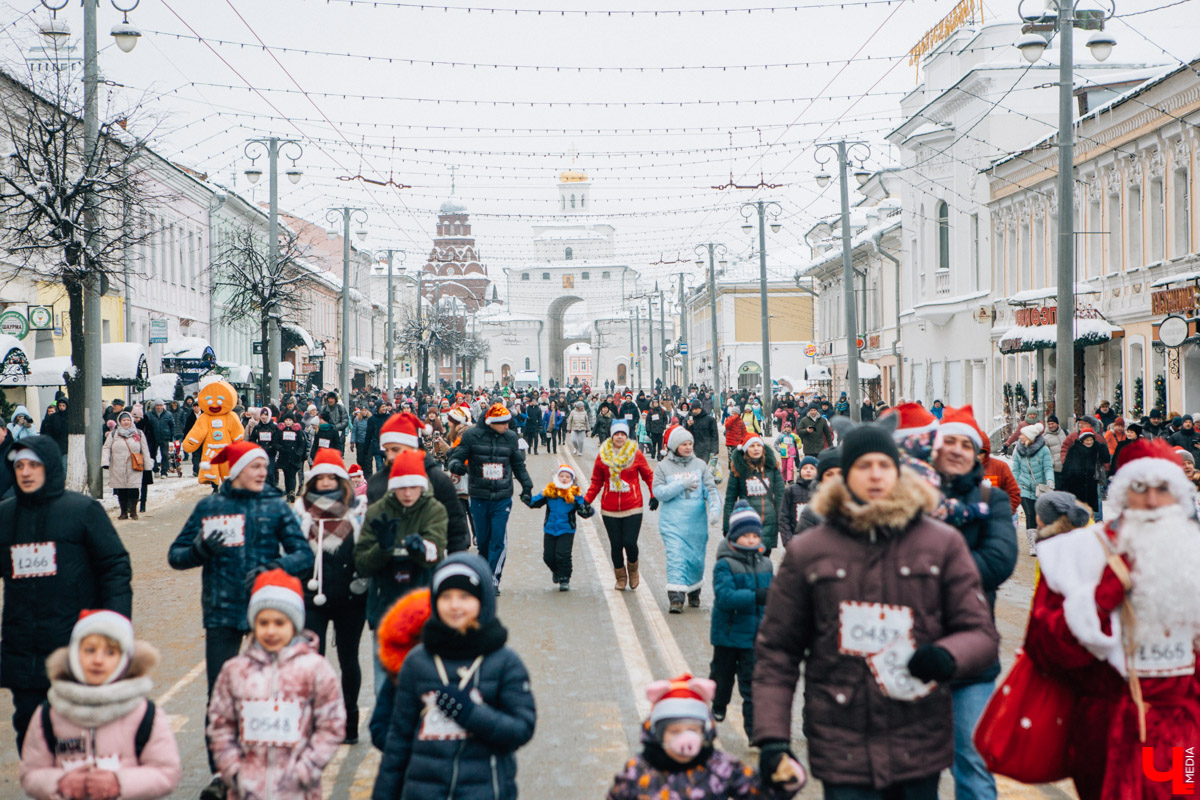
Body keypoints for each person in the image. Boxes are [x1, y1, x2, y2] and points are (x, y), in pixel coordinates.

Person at [753, 425, 1000, 799]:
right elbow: (777, 651)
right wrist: (773, 739)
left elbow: (980, 634)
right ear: (846, 475)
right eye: (863, 465)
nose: (874, 475)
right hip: (841, 741)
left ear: (897, 471)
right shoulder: (809, 551)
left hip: (918, 738)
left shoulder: (941, 543)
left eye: (884, 465)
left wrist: (947, 656)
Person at [1025, 438, 1200, 800]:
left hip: (1182, 731)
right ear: (1122, 493)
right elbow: (1044, 648)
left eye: (1163, 489)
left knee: (1183, 792)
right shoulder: (1077, 552)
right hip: (1107, 724)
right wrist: (1101, 599)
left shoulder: (1192, 551)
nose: (1152, 501)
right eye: (1140, 488)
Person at [167, 439, 314, 800]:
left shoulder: (275, 506)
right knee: (220, 695)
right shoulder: (210, 507)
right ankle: (222, 774)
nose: (263, 472)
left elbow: (304, 554)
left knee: (269, 692)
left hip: (268, 615)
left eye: (264, 466)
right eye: (255, 466)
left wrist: (274, 568)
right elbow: (176, 555)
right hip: (221, 610)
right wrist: (200, 550)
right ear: (236, 472)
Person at [0, 435, 132, 752]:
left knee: (75, 735)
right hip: (24, 647)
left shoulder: (82, 510)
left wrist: (114, 625)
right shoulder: (5, 516)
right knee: (30, 732)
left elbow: (114, 566)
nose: (26, 472)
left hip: (75, 643)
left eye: (34, 465)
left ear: (50, 467)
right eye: (20, 466)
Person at [371, 554, 537, 800]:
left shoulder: (504, 661)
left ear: (482, 601)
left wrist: (471, 713)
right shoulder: (417, 662)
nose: (455, 605)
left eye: (465, 596)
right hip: (423, 792)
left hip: (485, 791)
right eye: (446, 596)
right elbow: (398, 742)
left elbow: (521, 728)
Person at [927, 406, 1017, 800]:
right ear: (933, 448)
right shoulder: (910, 496)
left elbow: (998, 562)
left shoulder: (990, 499)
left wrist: (927, 570)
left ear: (977, 454)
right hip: (911, 651)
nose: (957, 450)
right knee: (913, 766)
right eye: (949, 441)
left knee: (974, 762)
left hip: (972, 655)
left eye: (967, 445)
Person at [207, 570, 345, 800]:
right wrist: (234, 770)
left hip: (298, 791)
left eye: (279, 623)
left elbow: (332, 725)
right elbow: (220, 723)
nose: (271, 631)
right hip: (247, 791)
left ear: (294, 624)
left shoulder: (315, 669)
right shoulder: (235, 671)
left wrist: (306, 769)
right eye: (263, 623)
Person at [19, 610, 182, 800]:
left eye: (110, 652)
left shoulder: (144, 714)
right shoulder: (51, 713)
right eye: (90, 650)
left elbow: (167, 773)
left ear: (125, 659)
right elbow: (30, 774)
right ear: (74, 654)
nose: (98, 660)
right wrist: (61, 783)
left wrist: (119, 783)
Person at [607, 673, 802, 800]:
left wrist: (784, 780)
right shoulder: (639, 769)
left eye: (693, 730)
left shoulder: (720, 766)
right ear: (657, 734)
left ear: (705, 731)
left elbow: (758, 793)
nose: (685, 739)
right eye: (674, 731)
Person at [356, 449, 447, 700]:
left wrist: (422, 550)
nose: (407, 493)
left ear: (422, 486)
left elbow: (438, 552)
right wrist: (382, 549)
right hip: (385, 604)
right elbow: (362, 563)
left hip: (423, 608)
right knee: (384, 686)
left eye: (413, 487)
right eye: (401, 487)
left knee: (424, 687)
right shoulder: (377, 511)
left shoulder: (434, 510)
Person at [294, 449, 368, 745]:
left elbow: (366, 549)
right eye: (320, 477)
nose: (326, 482)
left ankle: (350, 722)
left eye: (332, 477)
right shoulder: (300, 510)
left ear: (341, 479)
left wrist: (362, 579)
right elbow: (292, 551)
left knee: (349, 660)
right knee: (313, 662)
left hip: (351, 598)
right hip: (311, 598)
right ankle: (317, 723)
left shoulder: (358, 509)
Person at [446, 403, 533, 593]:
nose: (507, 426)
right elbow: (456, 457)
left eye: (508, 422)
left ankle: (493, 579)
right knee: (483, 541)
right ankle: (483, 575)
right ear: (491, 422)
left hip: (502, 496)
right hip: (478, 495)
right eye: (503, 423)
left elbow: (518, 465)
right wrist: (456, 466)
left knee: (498, 539)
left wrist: (527, 486)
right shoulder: (472, 435)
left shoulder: (510, 437)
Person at [710, 501, 773, 739]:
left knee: (752, 686)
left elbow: (773, 597)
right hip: (727, 635)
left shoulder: (766, 563)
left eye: (754, 535)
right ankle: (718, 703)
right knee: (722, 678)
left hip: (754, 637)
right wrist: (757, 596)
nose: (750, 540)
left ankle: (754, 732)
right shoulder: (724, 564)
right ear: (735, 536)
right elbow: (725, 597)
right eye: (745, 535)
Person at [367, 412, 469, 554]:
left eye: (396, 449)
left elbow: (456, 532)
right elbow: (366, 538)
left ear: (412, 447)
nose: (389, 456)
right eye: (386, 449)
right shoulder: (376, 483)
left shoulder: (438, 480)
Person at [652, 425, 719, 613]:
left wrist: (715, 508)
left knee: (695, 559)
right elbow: (659, 492)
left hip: (696, 523)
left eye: (690, 444)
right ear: (675, 446)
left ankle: (694, 591)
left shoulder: (700, 465)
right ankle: (676, 597)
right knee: (676, 556)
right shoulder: (663, 467)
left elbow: (710, 489)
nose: (688, 447)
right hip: (672, 523)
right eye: (684, 444)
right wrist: (681, 484)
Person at [584, 419, 657, 591]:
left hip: (633, 506)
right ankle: (621, 577)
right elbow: (596, 482)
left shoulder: (636, 454)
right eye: (616, 434)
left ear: (627, 436)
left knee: (630, 542)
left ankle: (633, 569)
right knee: (616, 545)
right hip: (609, 509)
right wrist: (585, 501)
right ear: (612, 435)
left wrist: (655, 494)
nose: (619, 437)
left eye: (622, 434)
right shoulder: (602, 456)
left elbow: (649, 475)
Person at [530, 464, 594, 591]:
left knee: (563, 555)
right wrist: (527, 497)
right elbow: (535, 502)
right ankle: (556, 571)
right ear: (557, 477)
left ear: (572, 479)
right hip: (550, 529)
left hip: (567, 529)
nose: (564, 478)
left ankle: (564, 579)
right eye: (562, 476)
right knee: (548, 557)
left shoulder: (575, 494)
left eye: (567, 477)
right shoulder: (549, 492)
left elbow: (584, 511)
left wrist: (586, 509)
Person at [722, 432, 784, 557]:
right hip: (747, 521)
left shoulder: (772, 466)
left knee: (764, 560)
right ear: (745, 449)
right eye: (752, 446)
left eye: (758, 445)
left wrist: (782, 520)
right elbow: (730, 499)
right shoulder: (738, 469)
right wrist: (727, 526)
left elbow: (780, 495)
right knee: (747, 560)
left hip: (769, 522)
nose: (756, 449)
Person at [1012, 420, 1056, 555]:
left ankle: (1041, 540)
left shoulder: (1044, 450)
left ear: (1029, 437)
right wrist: (1014, 485)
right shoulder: (1018, 450)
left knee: (1039, 516)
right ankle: (1033, 544)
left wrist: (1050, 480)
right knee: (1030, 514)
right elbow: (1016, 470)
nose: (1020, 437)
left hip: (1039, 488)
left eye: (1023, 435)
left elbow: (1048, 467)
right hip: (1024, 487)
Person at [101, 411, 153, 521]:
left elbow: (145, 449)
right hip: (117, 465)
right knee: (121, 489)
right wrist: (105, 462)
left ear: (131, 421)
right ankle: (123, 512)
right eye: (124, 420)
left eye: (128, 420)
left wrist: (148, 466)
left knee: (134, 488)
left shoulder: (138, 433)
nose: (126, 422)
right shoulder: (114, 434)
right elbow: (106, 448)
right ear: (119, 421)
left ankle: (133, 511)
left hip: (134, 465)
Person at [1061, 425, 1105, 512]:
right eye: (1087, 440)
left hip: (1091, 483)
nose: (1089, 442)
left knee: (1090, 509)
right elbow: (1067, 468)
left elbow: (1104, 460)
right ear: (1082, 440)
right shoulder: (1074, 450)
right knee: (1079, 508)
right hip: (1076, 484)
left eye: (1091, 440)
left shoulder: (1096, 449)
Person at [778, 455, 819, 546]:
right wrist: (788, 542)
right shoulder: (791, 491)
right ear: (800, 471)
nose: (808, 470)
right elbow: (783, 517)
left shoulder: (822, 490)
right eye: (805, 468)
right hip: (796, 538)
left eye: (812, 468)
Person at [146, 400, 176, 478]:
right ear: (154, 406)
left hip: (164, 437)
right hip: (153, 438)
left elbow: (172, 426)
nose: (159, 407)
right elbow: (146, 427)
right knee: (152, 455)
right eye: (157, 405)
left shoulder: (168, 414)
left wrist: (171, 436)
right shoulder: (149, 415)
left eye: (161, 405)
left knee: (165, 455)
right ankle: (155, 469)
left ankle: (164, 472)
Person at [39, 397, 69, 462]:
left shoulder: (69, 417)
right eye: (60, 405)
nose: (61, 407)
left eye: (63, 405)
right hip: (55, 445)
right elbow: (48, 431)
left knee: (64, 464)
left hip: (66, 446)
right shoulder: (53, 417)